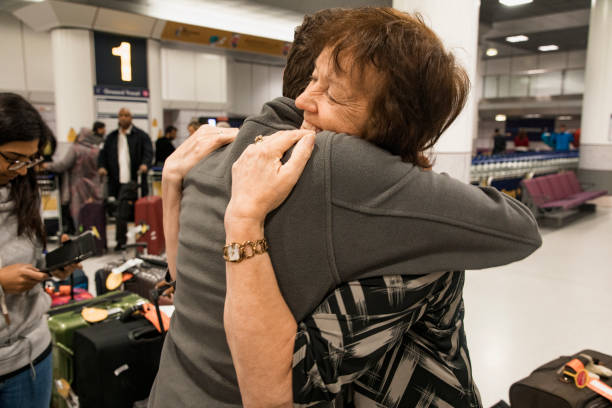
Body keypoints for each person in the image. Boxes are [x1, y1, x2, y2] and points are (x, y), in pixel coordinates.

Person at [149, 8, 542, 408]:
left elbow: (187, 290)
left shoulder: (213, 153)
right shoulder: (335, 162)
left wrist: (172, 191)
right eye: (315, 80)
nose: (305, 98)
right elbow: (519, 229)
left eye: (333, 90)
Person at [0, 92, 79, 408]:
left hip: (29, 358)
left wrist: (49, 267)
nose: (21, 170)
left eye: (29, 160)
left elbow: (25, 259)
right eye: (13, 159)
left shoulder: (22, 190)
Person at [97, 108, 152, 250]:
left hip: (136, 182)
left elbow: (148, 152)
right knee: (120, 214)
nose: (123, 118)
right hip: (117, 182)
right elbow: (102, 155)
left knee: (139, 212)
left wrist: (145, 164)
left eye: (126, 115)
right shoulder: (111, 137)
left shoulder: (141, 136)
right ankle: (121, 241)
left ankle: (141, 239)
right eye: (121, 115)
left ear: (131, 118)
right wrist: (102, 166)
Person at [42, 128, 103, 230]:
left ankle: (81, 233)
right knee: (92, 212)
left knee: (78, 213)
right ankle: (94, 236)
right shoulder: (96, 151)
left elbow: (63, 165)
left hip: (78, 187)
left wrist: (46, 165)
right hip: (94, 187)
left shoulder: (75, 149)